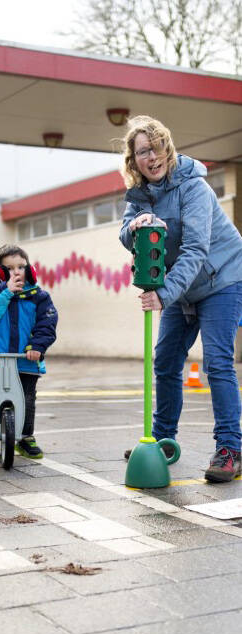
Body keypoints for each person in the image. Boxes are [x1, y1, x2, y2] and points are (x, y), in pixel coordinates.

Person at [119, 115, 242, 482]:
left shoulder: (194, 188)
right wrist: (134, 227)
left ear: (167, 150)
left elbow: (195, 250)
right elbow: (127, 237)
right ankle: (162, 440)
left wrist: (164, 295)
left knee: (217, 361)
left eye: (156, 148)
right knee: (166, 360)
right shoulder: (139, 195)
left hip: (220, 278)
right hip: (181, 285)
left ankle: (230, 448)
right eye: (142, 151)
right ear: (134, 160)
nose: (151, 156)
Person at [0, 244, 58, 462]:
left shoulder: (39, 296)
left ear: (29, 269)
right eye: (10, 268)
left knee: (27, 399)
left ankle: (26, 437)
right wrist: (6, 290)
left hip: (27, 359)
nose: (17, 272)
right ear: (0, 272)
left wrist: (37, 347)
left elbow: (47, 324)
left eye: (21, 266)